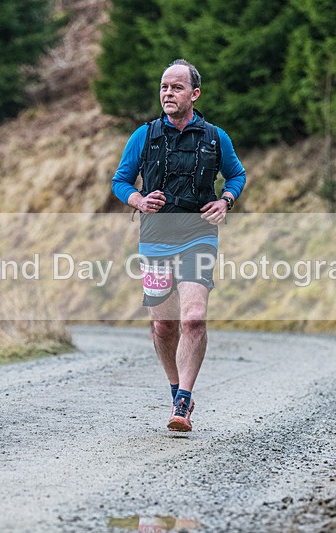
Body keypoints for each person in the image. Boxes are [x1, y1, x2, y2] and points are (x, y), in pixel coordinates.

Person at [111, 59, 246, 432]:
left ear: (194, 94)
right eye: (164, 87)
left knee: (193, 318)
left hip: (198, 235)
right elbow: (120, 181)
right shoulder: (144, 135)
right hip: (155, 240)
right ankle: (175, 389)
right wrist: (137, 200)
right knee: (164, 326)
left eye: (176, 88)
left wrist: (226, 200)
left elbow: (236, 174)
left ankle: (184, 402)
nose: (168, 94)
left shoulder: (216, 137)